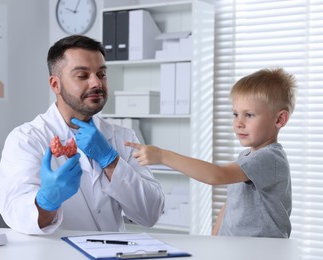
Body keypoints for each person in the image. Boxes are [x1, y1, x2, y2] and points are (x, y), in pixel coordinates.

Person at [0, 35, 165, 235]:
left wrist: (111, 161)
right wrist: (47, 201)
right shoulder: (26, 139)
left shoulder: (122, 137)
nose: (96, 83)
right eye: (83, 76)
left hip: (114, 253)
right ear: (55, 85)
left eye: (101, 74)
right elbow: (17, 215)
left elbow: (151, 214)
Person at [126, 68, 296, 238]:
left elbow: (217, 175)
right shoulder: (246, 157)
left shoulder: (270, 159)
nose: (238, 123)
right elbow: (231, 204)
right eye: (235, 114)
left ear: (279, 119)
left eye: (249, 115)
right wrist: (215, 238)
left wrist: (163, 156)